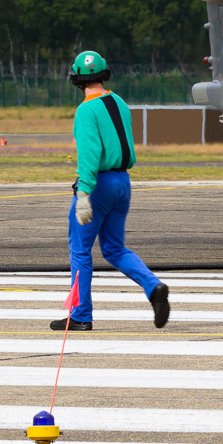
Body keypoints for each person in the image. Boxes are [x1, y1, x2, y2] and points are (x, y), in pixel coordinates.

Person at [53, 51, 169, 332]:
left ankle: (80, 315)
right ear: (104, 73)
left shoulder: (86, 110)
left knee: (80, 250)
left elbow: (90, 156)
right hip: (122, 183)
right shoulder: (119, 103)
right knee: (114, 248)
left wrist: (83, 194)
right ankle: (153, 287)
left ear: (77, 79)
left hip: (98, 185)